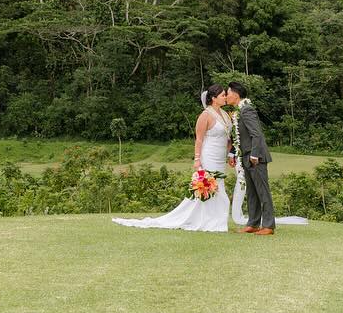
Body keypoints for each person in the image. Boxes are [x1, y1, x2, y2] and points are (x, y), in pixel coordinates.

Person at [112, 85, 234, 231]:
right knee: (209, 187)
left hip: (220, 158)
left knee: (219, 187)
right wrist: (197, 160)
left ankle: (215, 220)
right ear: (214, 98)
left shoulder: (225, 115)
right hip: (209, 156)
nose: (225, 97)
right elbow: (199, 139)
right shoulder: (205, 115)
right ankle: (209, 221)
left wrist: (229, 154)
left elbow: (228, 138)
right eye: (222, 95)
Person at [224, 81, 275, 235]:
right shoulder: (238, 111)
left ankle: (268, 226)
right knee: (251, 192)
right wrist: (233, 153)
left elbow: (256, 134)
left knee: (262, 191)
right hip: (245, 157)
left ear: (235, 94)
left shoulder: (247, 110)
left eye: (227, 93)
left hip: (255, 157)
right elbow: (239, 137)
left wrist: (254, 154)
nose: (226, 96)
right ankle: (253, 223)